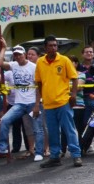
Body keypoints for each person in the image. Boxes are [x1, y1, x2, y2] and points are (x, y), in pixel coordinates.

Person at [34, 36, 83, 167]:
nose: (53, 48)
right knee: (53, 132)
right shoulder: (40, 62)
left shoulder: (64, 60)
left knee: (69, 130)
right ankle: (55, 157)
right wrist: (38, 102)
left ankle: (76, 155)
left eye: (55, 45)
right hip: (48, 104)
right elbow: (39, 83)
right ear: (45, 47)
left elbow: (74, 78)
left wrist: (73, 95)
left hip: (63, 102)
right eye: (50, 46)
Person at [0, 45, 42, 161]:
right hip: (19, 104)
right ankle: (2, 147)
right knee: (4, 120)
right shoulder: (13, 65)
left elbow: (38, 87)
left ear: (24, 55)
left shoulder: (34, 67)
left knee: (37, 128)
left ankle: (39, 152)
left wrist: (37, 104)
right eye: (15, 55)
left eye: (20, 54)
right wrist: (3, 48)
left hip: (32, 102)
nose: (18, 57)